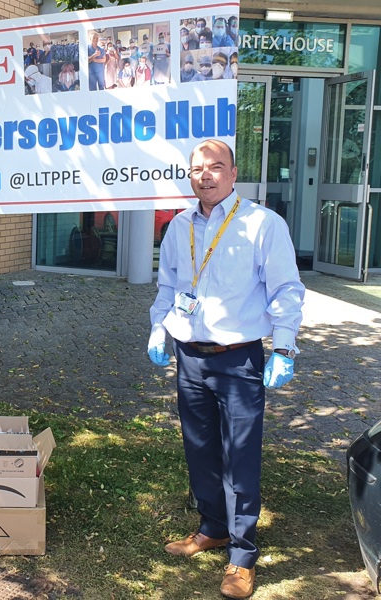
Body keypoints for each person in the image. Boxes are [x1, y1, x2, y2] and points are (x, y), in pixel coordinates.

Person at [147, 139, 305, 599]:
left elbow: (286, 290)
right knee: (198, 447)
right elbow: (169, 285)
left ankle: (241, 554)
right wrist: (159, 328)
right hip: (189, 356)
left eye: (217, 167)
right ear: (190, 176)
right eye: (199, 169)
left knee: (239, 455)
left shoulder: (262, 224)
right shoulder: (179, 226)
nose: (207, 175)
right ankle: (212, 527)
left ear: (234, 174)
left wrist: (285, 348)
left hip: (238, 359)